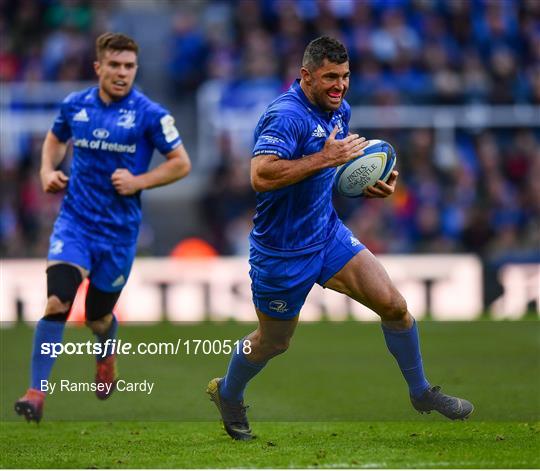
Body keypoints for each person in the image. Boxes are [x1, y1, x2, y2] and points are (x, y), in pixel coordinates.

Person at [207, 36, 473, 440]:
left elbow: (326, 173)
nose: (340, 85)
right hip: (281, 253)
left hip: (327, 235)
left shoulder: (339, 108)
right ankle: (229, 392)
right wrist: (328, 158)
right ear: (306, 76)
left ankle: (421, 392)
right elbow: (261, 176)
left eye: (345, 76)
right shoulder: (285, 116)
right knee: (274, 342)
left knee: (395, 307)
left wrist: (367, 184)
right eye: (331, 77)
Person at [15, 32, 191, 423]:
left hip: (118, 235)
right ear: (99, 67)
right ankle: (35, 392)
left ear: (136, 69)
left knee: (97, 317)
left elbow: (181, 163)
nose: (122, 73)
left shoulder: (151, 114)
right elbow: (55, 138)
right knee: (57, 303)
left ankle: (106, 349)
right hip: (75, 224)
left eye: (129, 66)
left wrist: (139, 181)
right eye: (115, 65)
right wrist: (47, 170)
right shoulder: (74, 106)